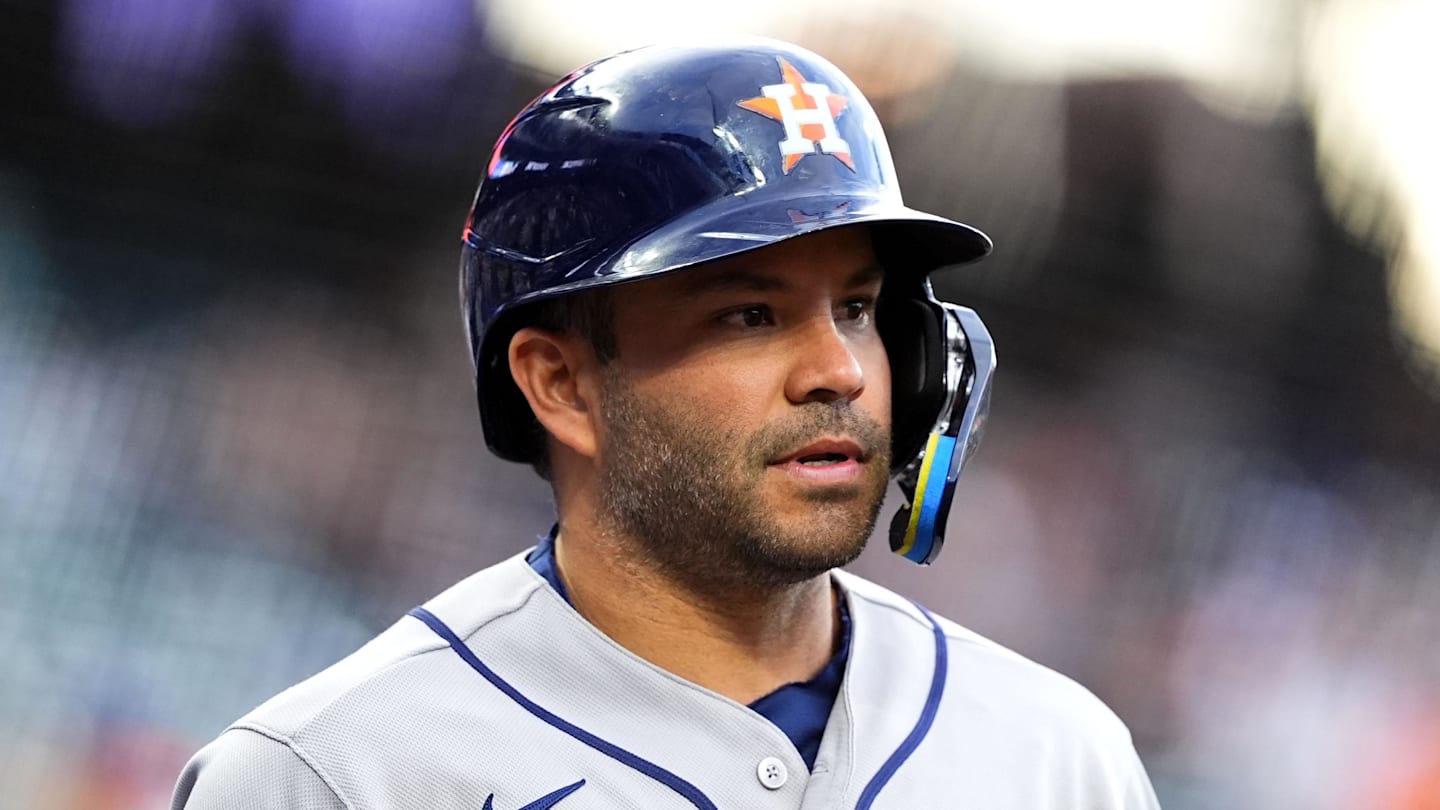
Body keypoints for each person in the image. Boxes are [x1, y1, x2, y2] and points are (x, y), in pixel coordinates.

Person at [171, 38, 1161, 809]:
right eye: (750, 314)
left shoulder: (1057, 758)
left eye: (857, 308)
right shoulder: (336, 775)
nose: (839, 371)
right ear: (560, 385)